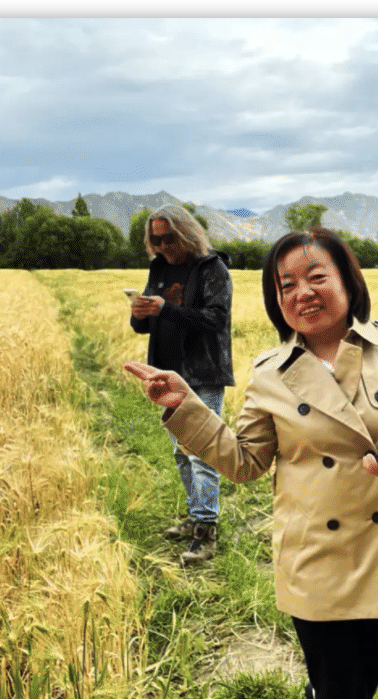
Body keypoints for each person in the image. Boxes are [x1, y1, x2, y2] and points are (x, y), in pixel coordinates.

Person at [126, 227, 378, 699]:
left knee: (369, 668)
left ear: (347, 281)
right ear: (275, 298)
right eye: (286, 283)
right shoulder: (271, 372)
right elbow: (244, 462)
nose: (302, 292)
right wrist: (186, 407)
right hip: (316, 555)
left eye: (317, 276)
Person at [131, 203, 234, 565]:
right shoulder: (158, 267)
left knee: (202, 451)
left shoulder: (212, 268)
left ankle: (206, 529)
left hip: (203, 373)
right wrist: (139, 315)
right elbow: (147, 324)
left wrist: (165, 309)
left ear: (186, 233)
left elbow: (216, 320)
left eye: (168, 238)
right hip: (167, 374)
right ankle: (196, 514)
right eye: (155, 240)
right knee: (180, 451)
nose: (161, 246)